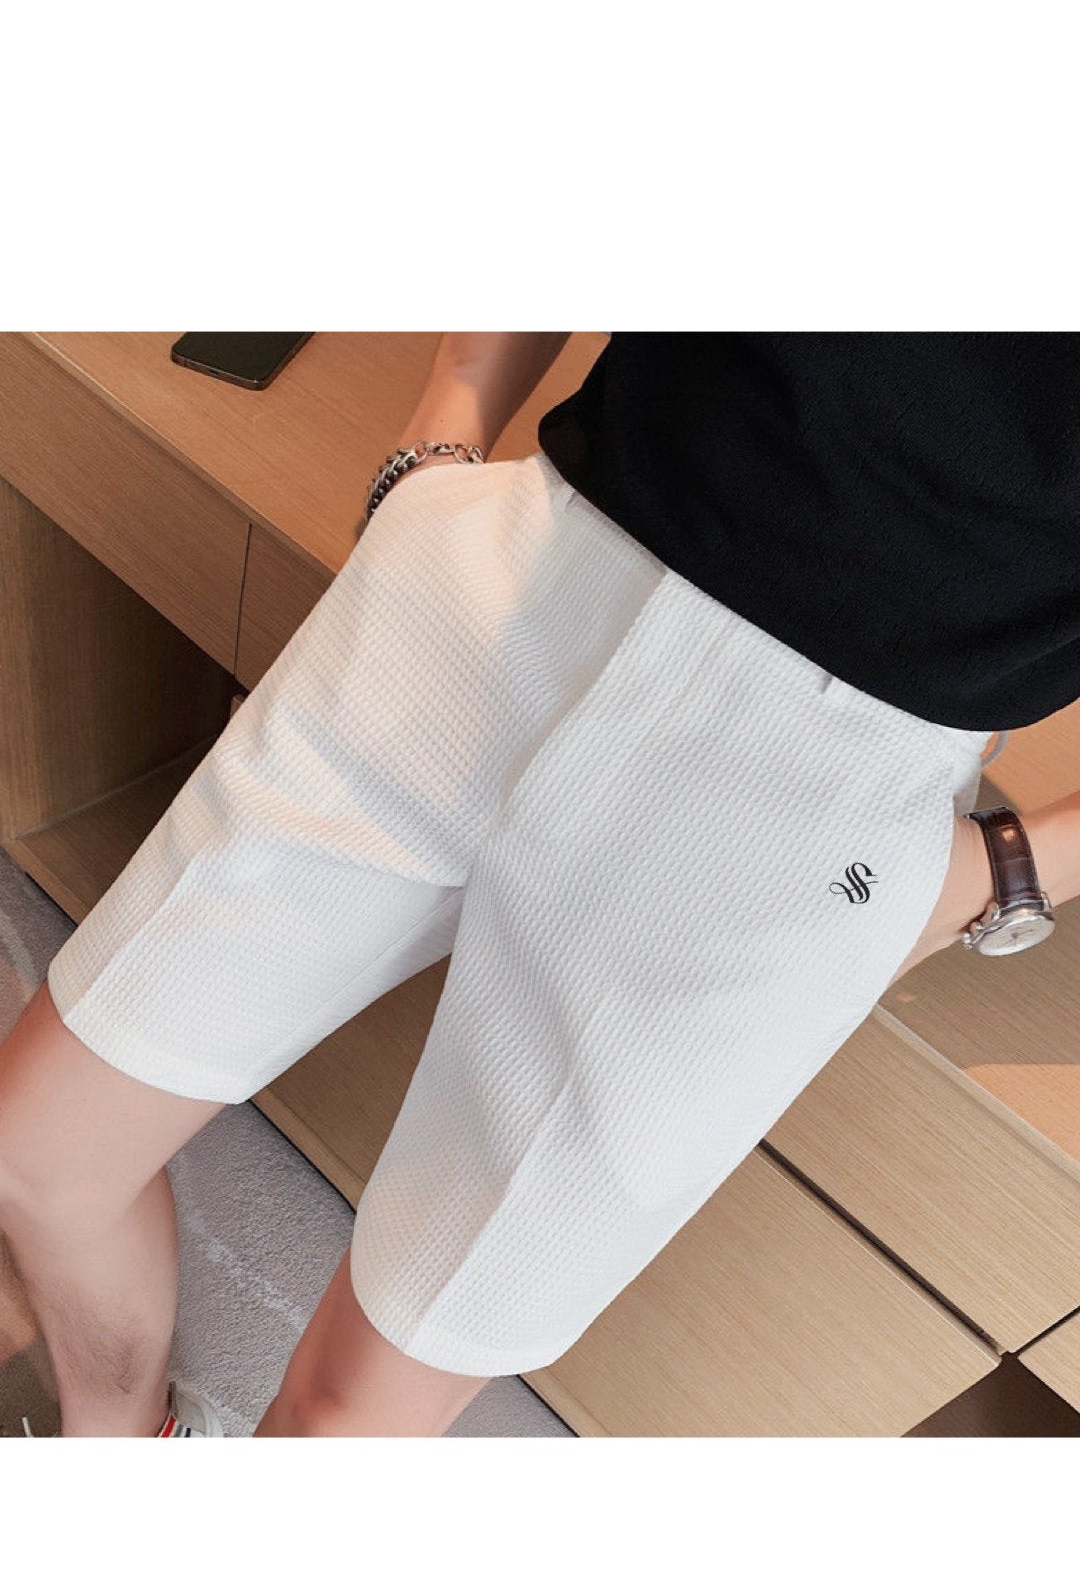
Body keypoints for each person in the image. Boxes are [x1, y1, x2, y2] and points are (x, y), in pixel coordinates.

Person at [1, 332, 1078, 1438]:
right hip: (534, 560)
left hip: (817, 783)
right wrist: (447, 422)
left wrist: (1013, 864)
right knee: (39, 1152)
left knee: (350, 1414)